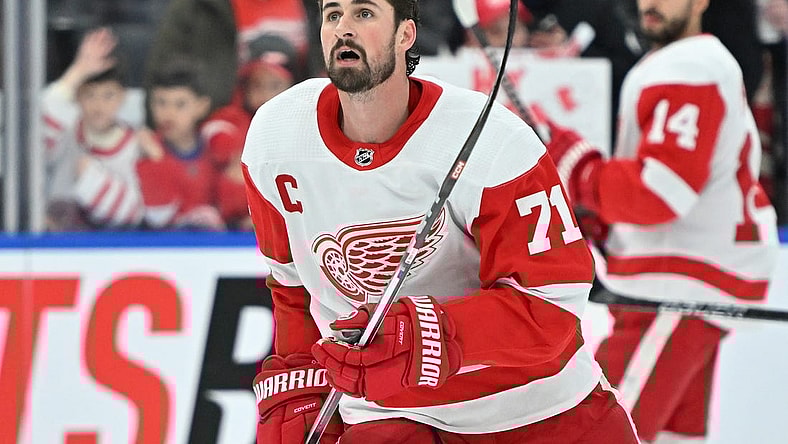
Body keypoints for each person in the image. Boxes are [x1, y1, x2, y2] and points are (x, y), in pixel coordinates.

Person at [242, 0, 640, 443]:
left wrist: (433, 334)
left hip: (542, 411)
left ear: (406, 34)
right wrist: (302, 385)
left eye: (365, 14)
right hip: (393, 416)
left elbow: (551, 308)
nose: (344, 29)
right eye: (333, 15)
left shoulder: (493, 140)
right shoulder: (275, 138)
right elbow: (292, 288)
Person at [543, 0, 780, 442]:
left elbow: (659, 192)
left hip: (675, 288)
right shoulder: (690, 62)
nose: (650, 4)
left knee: (597, 433)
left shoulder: (689, 66)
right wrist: (607, 219)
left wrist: (581, 172)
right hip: (685, 284)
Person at [42, 27, 145, 231]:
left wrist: (91, 179)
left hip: (111, 253)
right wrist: (77, 72)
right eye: (90, 95)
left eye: (108, 95)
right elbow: (34, 138)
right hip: (55, 248)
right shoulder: (65, 130)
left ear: (123, 96)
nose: (99, 105)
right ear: (77, 96)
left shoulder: (136, 144)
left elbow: (133, 214)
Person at [202, 34, 298, 229]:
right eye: (257, 85)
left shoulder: (305, 124)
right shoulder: (229, 120)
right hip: (233, 231)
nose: (265, 94)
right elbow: (220, 151)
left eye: (274, 86)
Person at [136, 55, 225, 231]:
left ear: (201, 106)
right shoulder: (144, 151)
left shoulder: (216, 148)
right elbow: (157, 218)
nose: (168, 113)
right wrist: (156, 160)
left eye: (180, 104)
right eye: (161, 103)